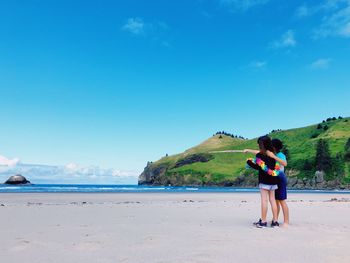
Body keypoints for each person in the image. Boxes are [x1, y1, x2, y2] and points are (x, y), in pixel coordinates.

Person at [245, 136, 280, 228]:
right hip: (273, 180)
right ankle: (275, 222)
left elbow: (259, 167)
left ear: (261, 145)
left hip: (264, 181)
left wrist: (249, 162)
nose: (257, 145)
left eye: (258, 144)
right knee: (272, 200)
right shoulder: (273, 154)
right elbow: (272, 167)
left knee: (264, 200)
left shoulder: (259, 156)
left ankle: (263, 222)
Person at [267, 139, 289, 227]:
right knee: (275, 201)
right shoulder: (271, 154)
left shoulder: (280, 155)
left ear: (274, 147)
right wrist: (248, 150)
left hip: (280, 178)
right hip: (273, 179)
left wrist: (274, 157)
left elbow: (285, 163)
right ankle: (274, 219)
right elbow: (259, 152)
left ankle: (286, 221)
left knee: (282, 200)